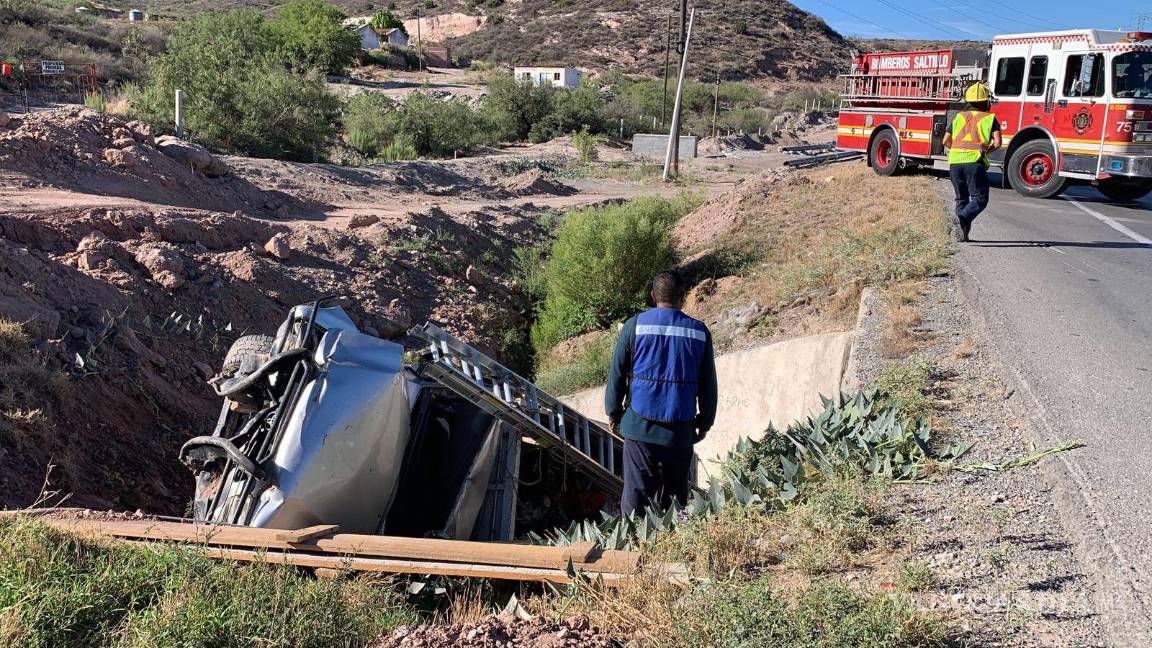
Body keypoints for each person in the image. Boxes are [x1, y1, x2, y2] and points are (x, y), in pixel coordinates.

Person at [604, 270, 718, 516]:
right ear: (683, 295)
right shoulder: (699, 332)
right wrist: (705, 421)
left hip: (639, 427)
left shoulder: (634, 326)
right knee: (676, 497)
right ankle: (671, 545)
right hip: (680, 431)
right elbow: (708, 383)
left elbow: (617, 373)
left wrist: (613, 412)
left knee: (635, 493)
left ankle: (633, 545)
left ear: (653, 295)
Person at [942, 82, 1002, 242]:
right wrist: (984, 151)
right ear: (986, 102)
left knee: (961, 198)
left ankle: (962, 235)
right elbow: (997, 143)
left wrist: (957, 149)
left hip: (955, 162)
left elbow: (945, 141)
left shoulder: (959, 117)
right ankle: (961, 218)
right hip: (974, 162)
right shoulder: (990, 118)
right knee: (980, 198)